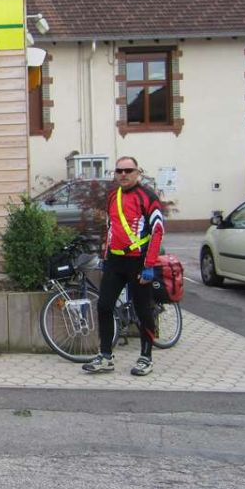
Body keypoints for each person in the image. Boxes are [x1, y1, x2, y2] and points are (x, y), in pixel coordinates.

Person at [82, 156, 165, 377]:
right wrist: (105, 256)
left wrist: (149, 265)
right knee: (104, 306)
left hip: (139, 261)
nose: (123, 174)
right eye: (119, 171)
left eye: (128, 170)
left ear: (138, 172)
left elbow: (157, 230)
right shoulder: (113, 196)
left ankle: (146, 358)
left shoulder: (147, 196)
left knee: (142, 310)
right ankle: (105, 356)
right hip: (115, 261)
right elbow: (111, 227)